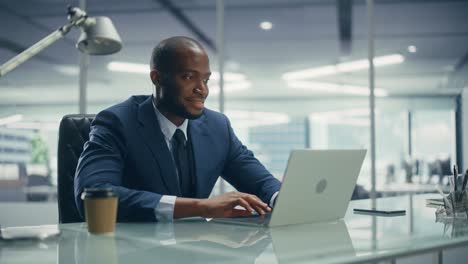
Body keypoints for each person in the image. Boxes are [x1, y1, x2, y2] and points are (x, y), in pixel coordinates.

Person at [74, 36, 281, 222]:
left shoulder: (218, 127)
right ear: (157, 78)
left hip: (195, 248)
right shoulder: (117, 121)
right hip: (132, 250)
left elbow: (261, 183)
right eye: (189, 77)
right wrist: (200, 207)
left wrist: (283, 199)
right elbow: (94, 193)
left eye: (206, 79)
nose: (202, 89)